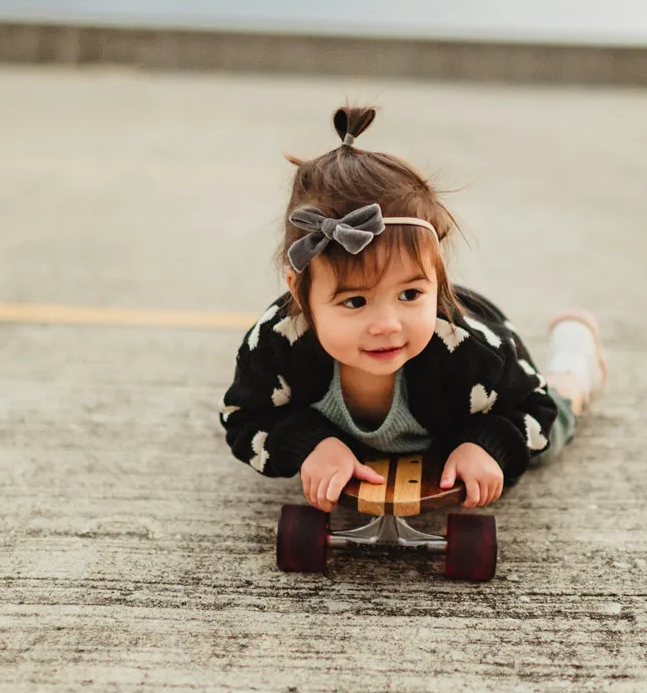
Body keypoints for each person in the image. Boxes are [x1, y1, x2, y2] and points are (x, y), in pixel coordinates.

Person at [220, 105, 605, 513]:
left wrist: (486, 445)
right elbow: (244, 417)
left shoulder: (472, 349)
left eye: (410, 294)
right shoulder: (276, 344)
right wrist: (309, 444)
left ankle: (576, 361)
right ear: (299, 291)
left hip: (466, 416)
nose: (387, 324)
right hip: (353, 431)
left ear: (436, 277)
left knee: (552, 430)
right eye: (355, 301)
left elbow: (533, 406)